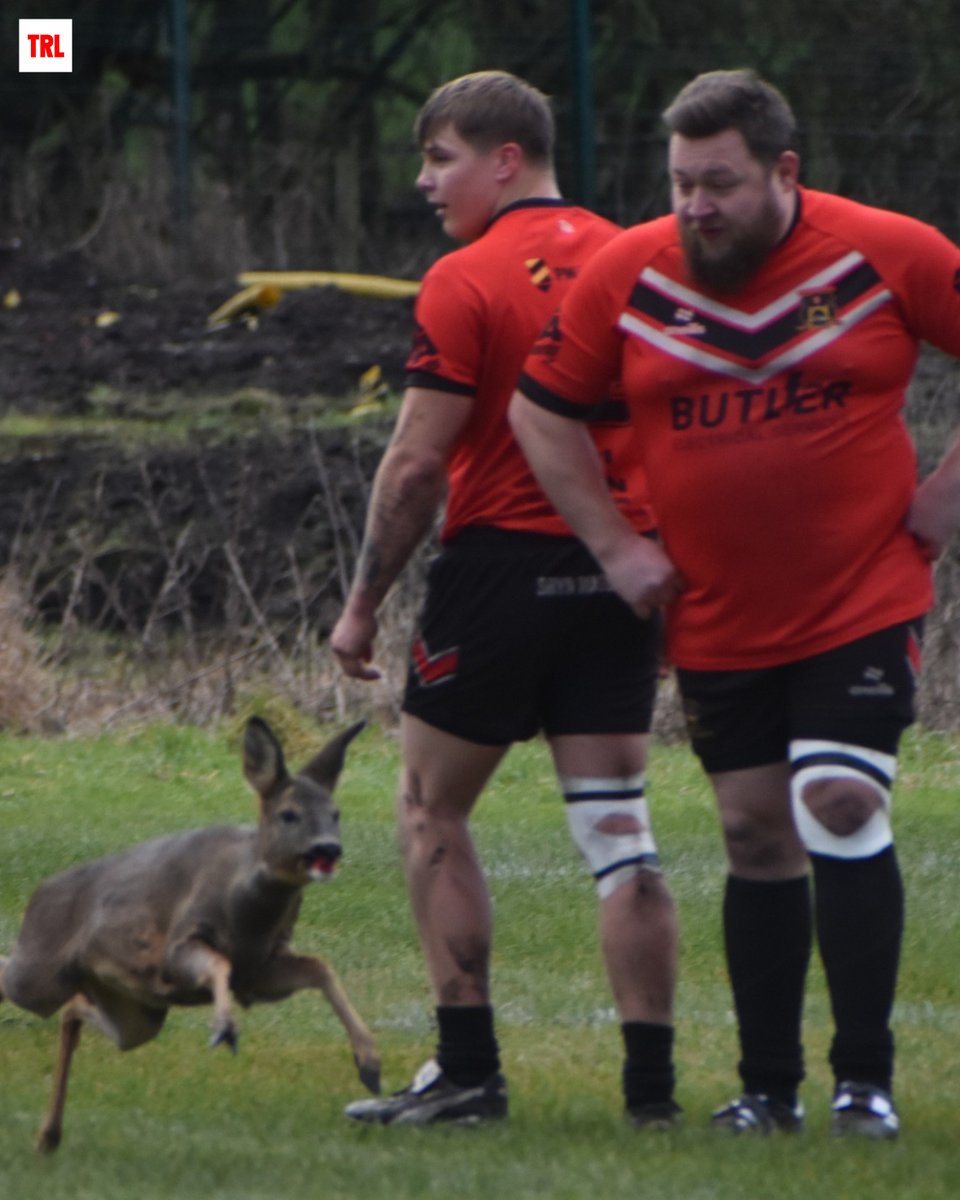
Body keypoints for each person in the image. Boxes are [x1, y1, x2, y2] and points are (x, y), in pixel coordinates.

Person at [509, 66, 960, 1142]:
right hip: (717, 614)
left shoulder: (889, 252)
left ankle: (864, 1083)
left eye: (719, 183)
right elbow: (541, 414)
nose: (696, 206)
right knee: (757, 836)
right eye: (680, 184)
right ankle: (769, 1091)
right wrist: (615, 546)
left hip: (863, 594)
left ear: (783, 170)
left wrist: (947, 491)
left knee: (840, 801)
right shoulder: (630, 270)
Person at [329, 70, 680, 1128]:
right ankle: (652, 1098)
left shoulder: (466, 275)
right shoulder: (650, 256)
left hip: (500, 571)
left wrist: (360, 606)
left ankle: (469, 1071)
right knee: (620, 832)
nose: (425, 181)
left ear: (506, 161)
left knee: (432, 809)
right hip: (622, 571)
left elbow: (415, 466)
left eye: (440, 159)